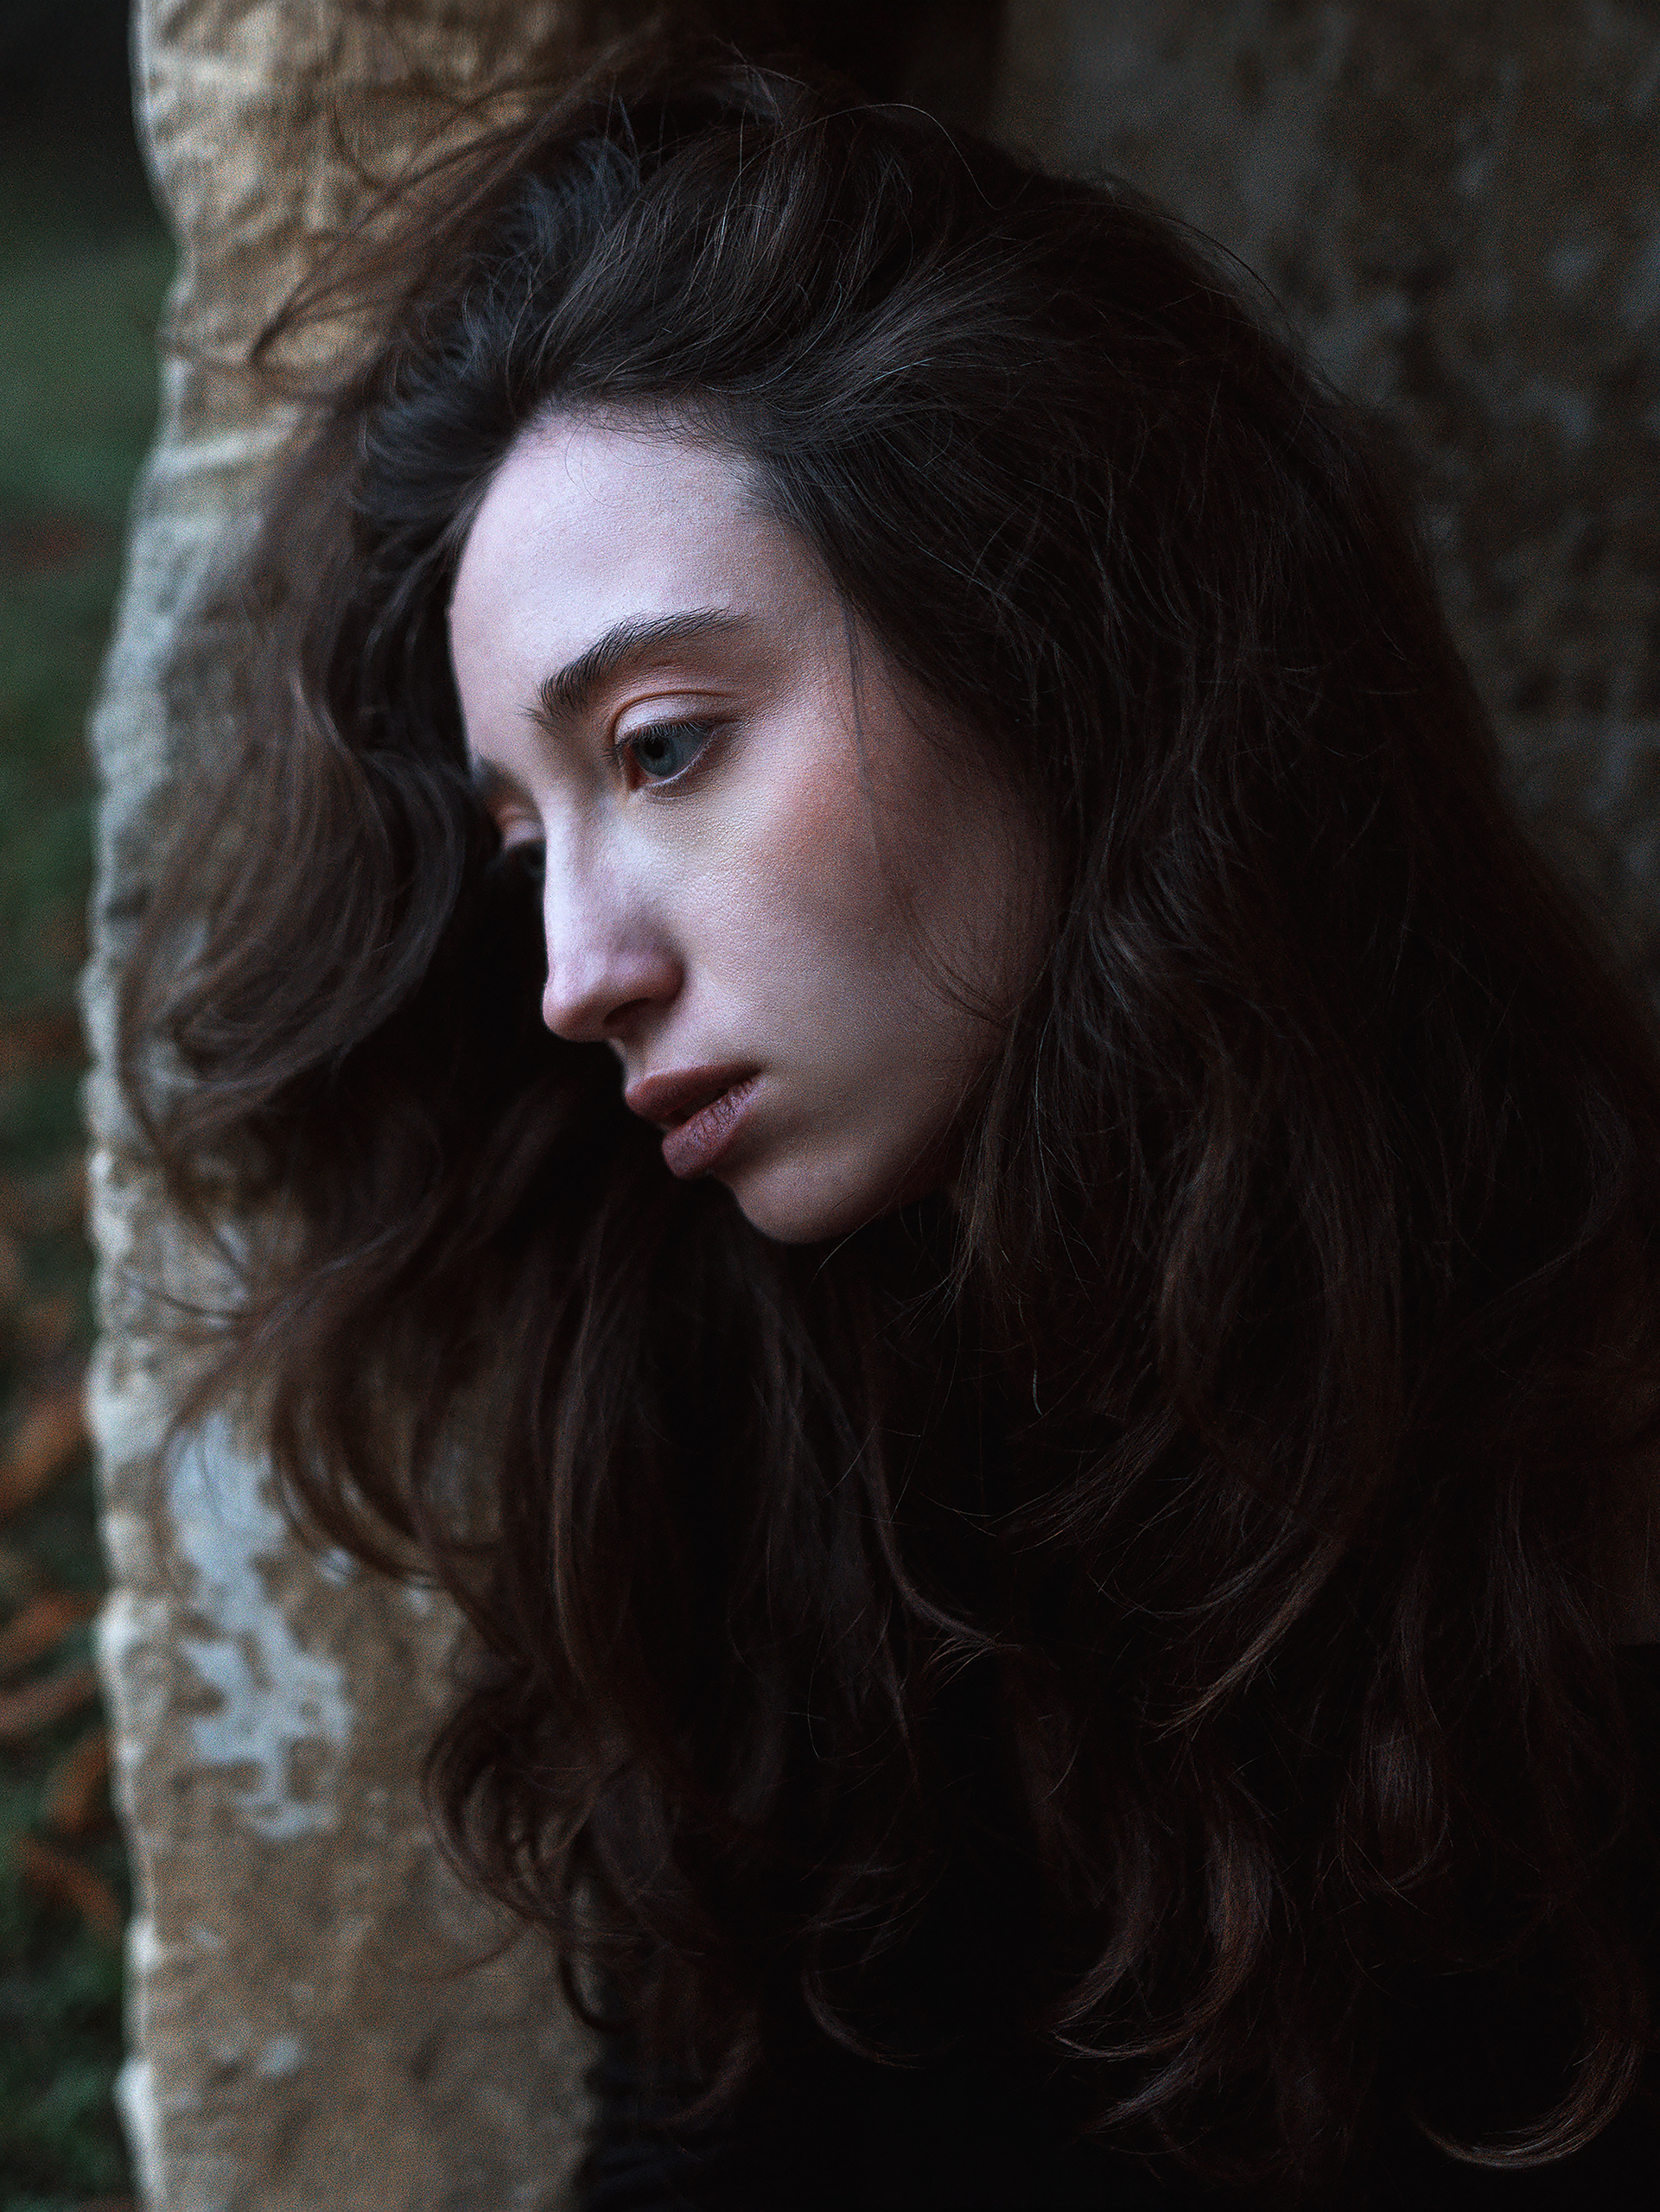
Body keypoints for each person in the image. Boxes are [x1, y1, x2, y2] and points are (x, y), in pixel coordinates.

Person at [121, 34, 1660, 2207]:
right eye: (514, 837)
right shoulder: (730, 1396)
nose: (575, 971)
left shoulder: (1575, 1443)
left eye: (659, 747)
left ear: (1039, 619)